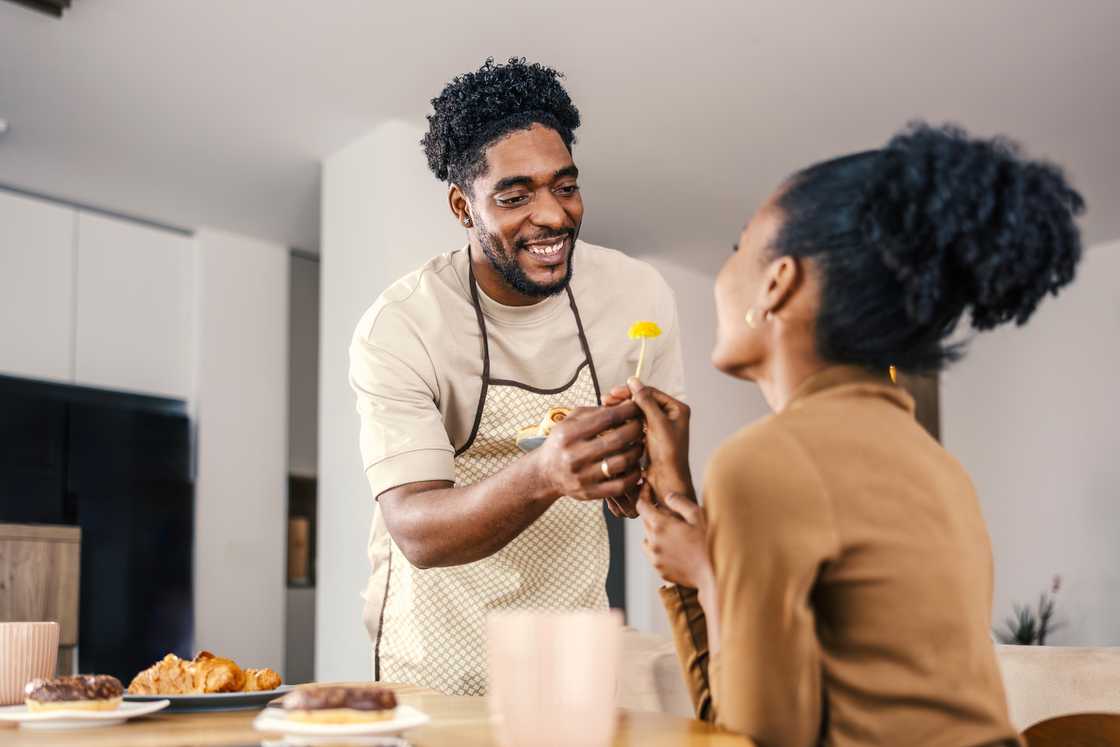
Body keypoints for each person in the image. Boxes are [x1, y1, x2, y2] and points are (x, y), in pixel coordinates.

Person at [626, 123, 1083, 746]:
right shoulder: (934, 464)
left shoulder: (764, 463)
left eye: (738, 248)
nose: (725, 272)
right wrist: (676, 494)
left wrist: (707, 574)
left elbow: (757, 739)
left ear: (777, 282)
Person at [349, 58, 685, 695]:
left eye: (565, 186)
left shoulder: (638, 295)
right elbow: (415, 529)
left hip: (571, 654)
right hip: (434, 660)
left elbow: (660, 481)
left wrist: (640, 468)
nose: (554, 217)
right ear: (462, 206)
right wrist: (547, 471)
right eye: (515, 195)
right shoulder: (403, 324)